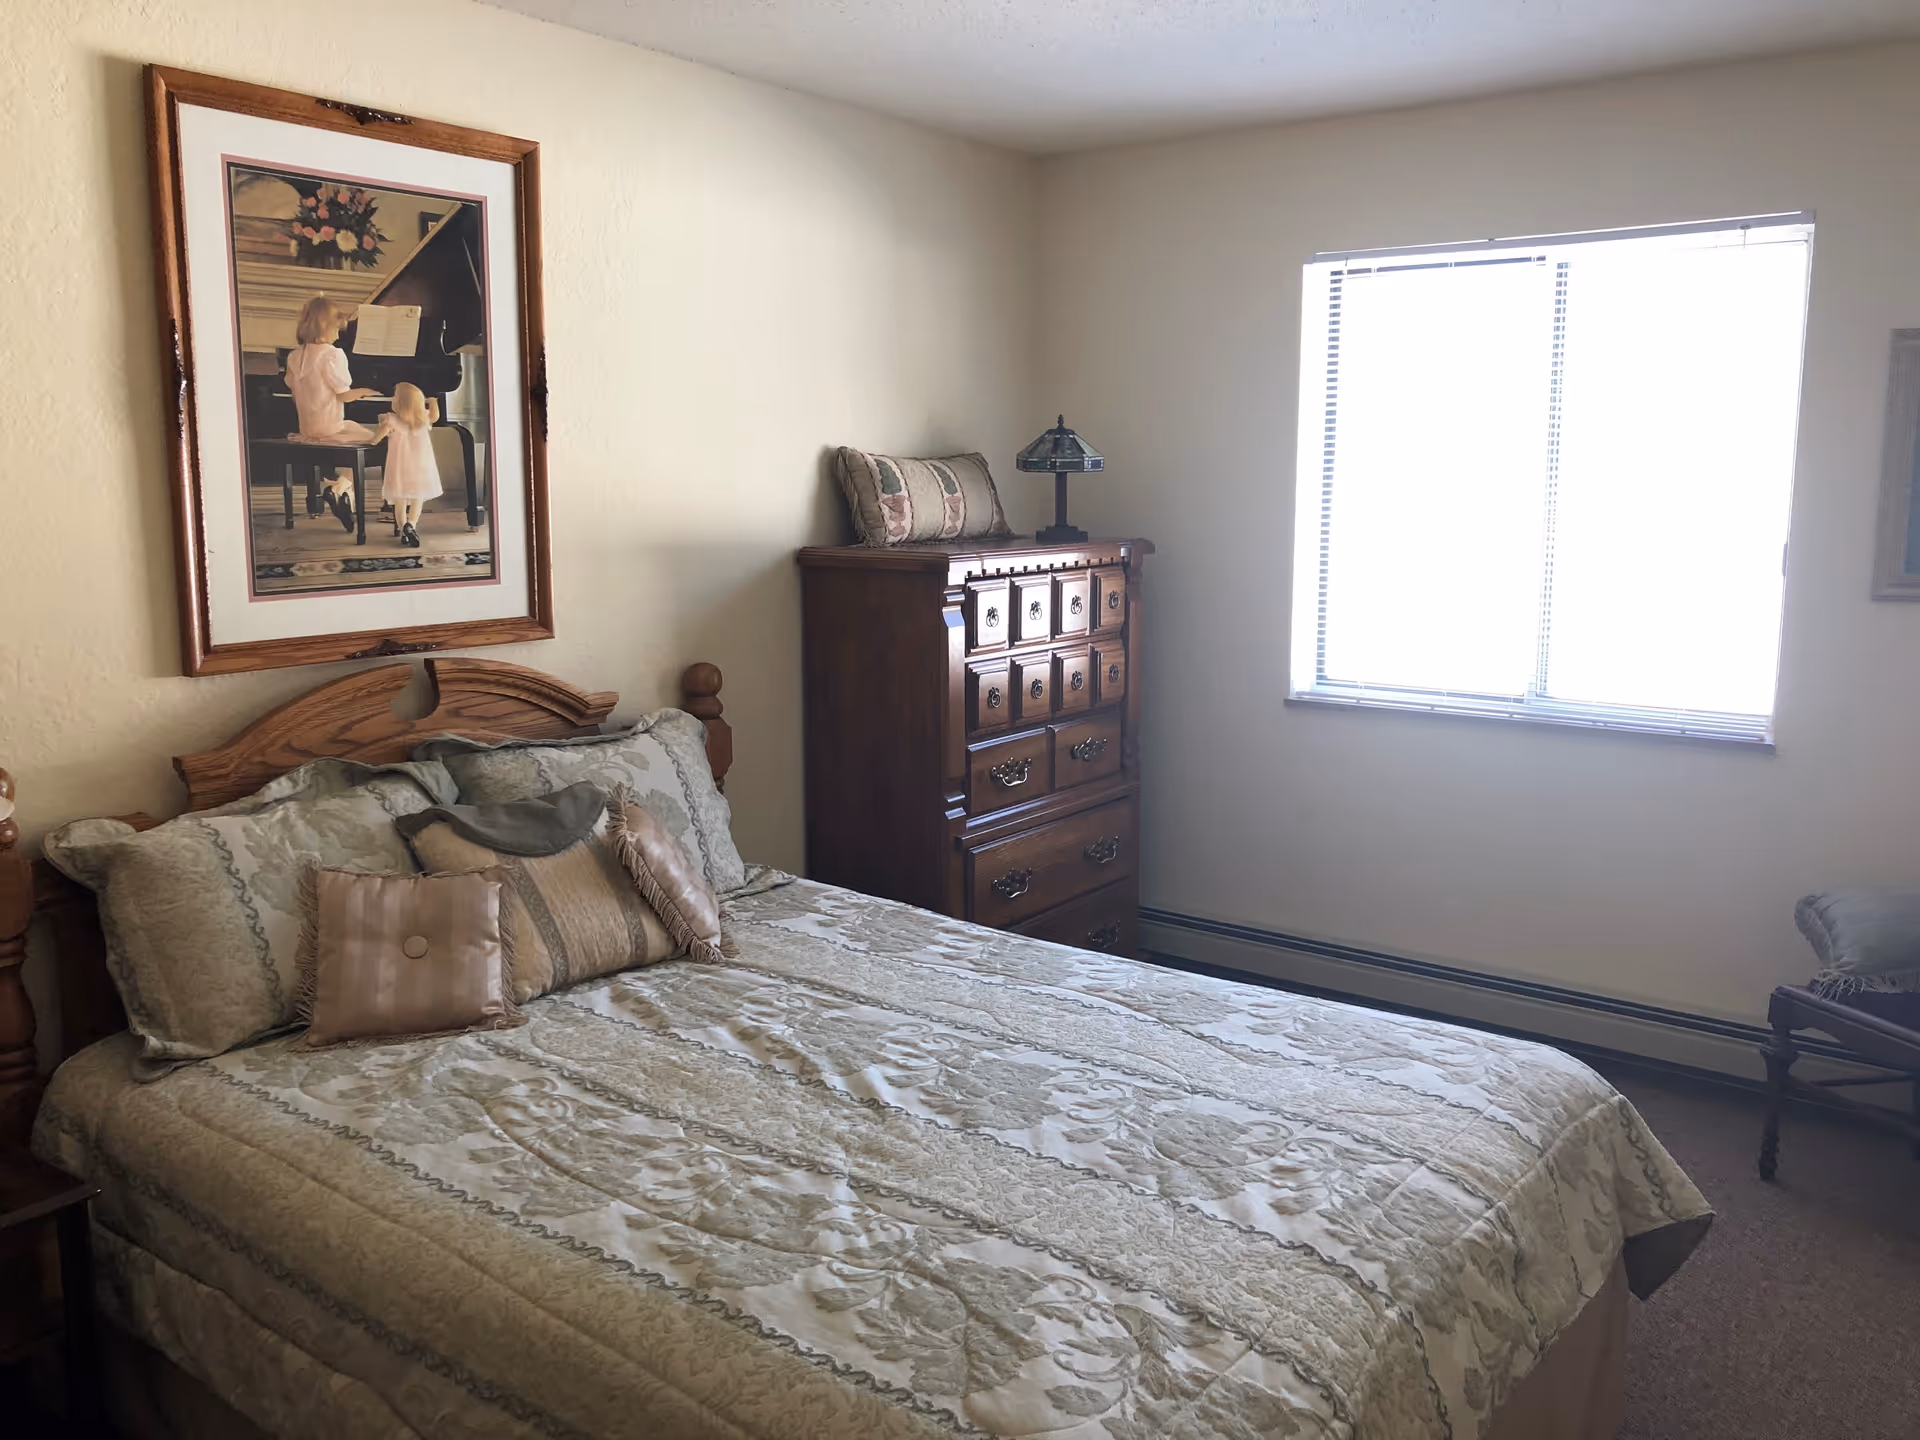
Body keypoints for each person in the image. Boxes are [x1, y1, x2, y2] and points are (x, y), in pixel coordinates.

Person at [284, 295, 378, 530]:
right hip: (330, 428)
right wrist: (366, 391)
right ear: (326, 327)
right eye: (337, 327)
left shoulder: (294, 356)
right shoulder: (333, 354)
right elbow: (344, 395)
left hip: (307, 429)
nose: (339, 333)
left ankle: (341, 490)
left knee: (354, 443)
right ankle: (337, 488)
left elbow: (295, 393)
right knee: (374, 440)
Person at [373, 382, 442, 548]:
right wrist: (432, 402)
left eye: (395, 397)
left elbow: (375, 440)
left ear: (399, 403)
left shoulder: (390, 420)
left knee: (400, 500)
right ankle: (411, 525)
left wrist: (372, 437)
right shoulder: (423, 418)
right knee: (418, 498)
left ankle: (403, 529)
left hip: (398, 469)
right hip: (421, 468)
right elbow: (435, 416)